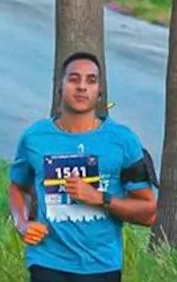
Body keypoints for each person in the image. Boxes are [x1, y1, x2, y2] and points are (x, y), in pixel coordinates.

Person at [8, 53, 158, 282]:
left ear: (99, 92)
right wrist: (22, 223)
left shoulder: (123, 141)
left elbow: (148, 213)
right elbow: (18, 186)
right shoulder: (34, 138)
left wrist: (101, 198)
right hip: (47, 260)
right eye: (74, 79)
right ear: (60, 85)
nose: (81, 87)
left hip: (100, 265)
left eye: (91, 80)